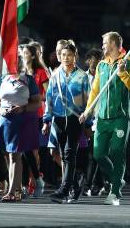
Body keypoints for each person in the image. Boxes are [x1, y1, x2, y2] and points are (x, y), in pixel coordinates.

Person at [79, 32, 130, 206]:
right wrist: (88, 110)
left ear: (114, 44)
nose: (103, 46)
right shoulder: (101, 65)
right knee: (98, 154)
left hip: (121, 117)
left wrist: (122, 74)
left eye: (105, 43)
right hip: (103, 118)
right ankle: (117, 178)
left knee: (117, 152)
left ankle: (115, 193)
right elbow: (95, 91)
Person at [42, 43, 90, 203]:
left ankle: (63, 190)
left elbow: (88, 100)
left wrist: (89, 122)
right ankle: (75, 184)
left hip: (76, 119)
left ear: (75, 56)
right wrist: (46, 120)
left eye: (69, 55)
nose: (66, 58)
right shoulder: (55, 75)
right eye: (63, 55)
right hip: (58, 118)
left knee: (70, 153)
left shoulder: (82, 76)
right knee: (63, 155)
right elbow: (49, 97)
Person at [0, 72, 41, 202]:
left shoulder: (28, 79)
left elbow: (37, 103)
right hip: (5, 120)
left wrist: (23, 108)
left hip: (22, 120)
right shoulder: (3, 79)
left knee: (15, 155)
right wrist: (1, 110)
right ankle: (17, 189)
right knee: (8, 155)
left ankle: (12, 192)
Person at [20, 43, 48, 197]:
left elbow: (48, 93)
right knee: (22, 150)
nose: (22, 55)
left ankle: (34, 181)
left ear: (32, 55)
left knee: (31, 151)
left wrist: (33, 98)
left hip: (36, 115)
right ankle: (27, 184)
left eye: (24, 52)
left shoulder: (40, 72)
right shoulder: (19, 72)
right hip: (20, 114)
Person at [82, 48, 106, 197]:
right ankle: (98, 183)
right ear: (88, 61)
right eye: (93, 59)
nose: (96, 62)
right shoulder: (82, 78)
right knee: (92, 154)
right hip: (85, 118)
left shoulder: (105, 77)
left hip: (101, 119)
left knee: (95, 153)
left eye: (99, 59)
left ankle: (88, 185)